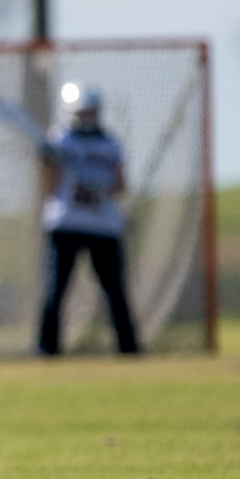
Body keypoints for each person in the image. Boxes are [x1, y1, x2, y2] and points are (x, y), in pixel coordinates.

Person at [37, 83, 140, 356]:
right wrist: (48, 163)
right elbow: (49, 187)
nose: (87, 118)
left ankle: (128, 348)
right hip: (66, 224)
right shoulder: (59, 141)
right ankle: (47, 349)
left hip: (104, 226)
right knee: (55, 290)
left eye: (91, 112)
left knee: (115, 291)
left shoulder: (111, 144)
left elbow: (120, 187)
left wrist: (99, 185)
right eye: (82, 112)